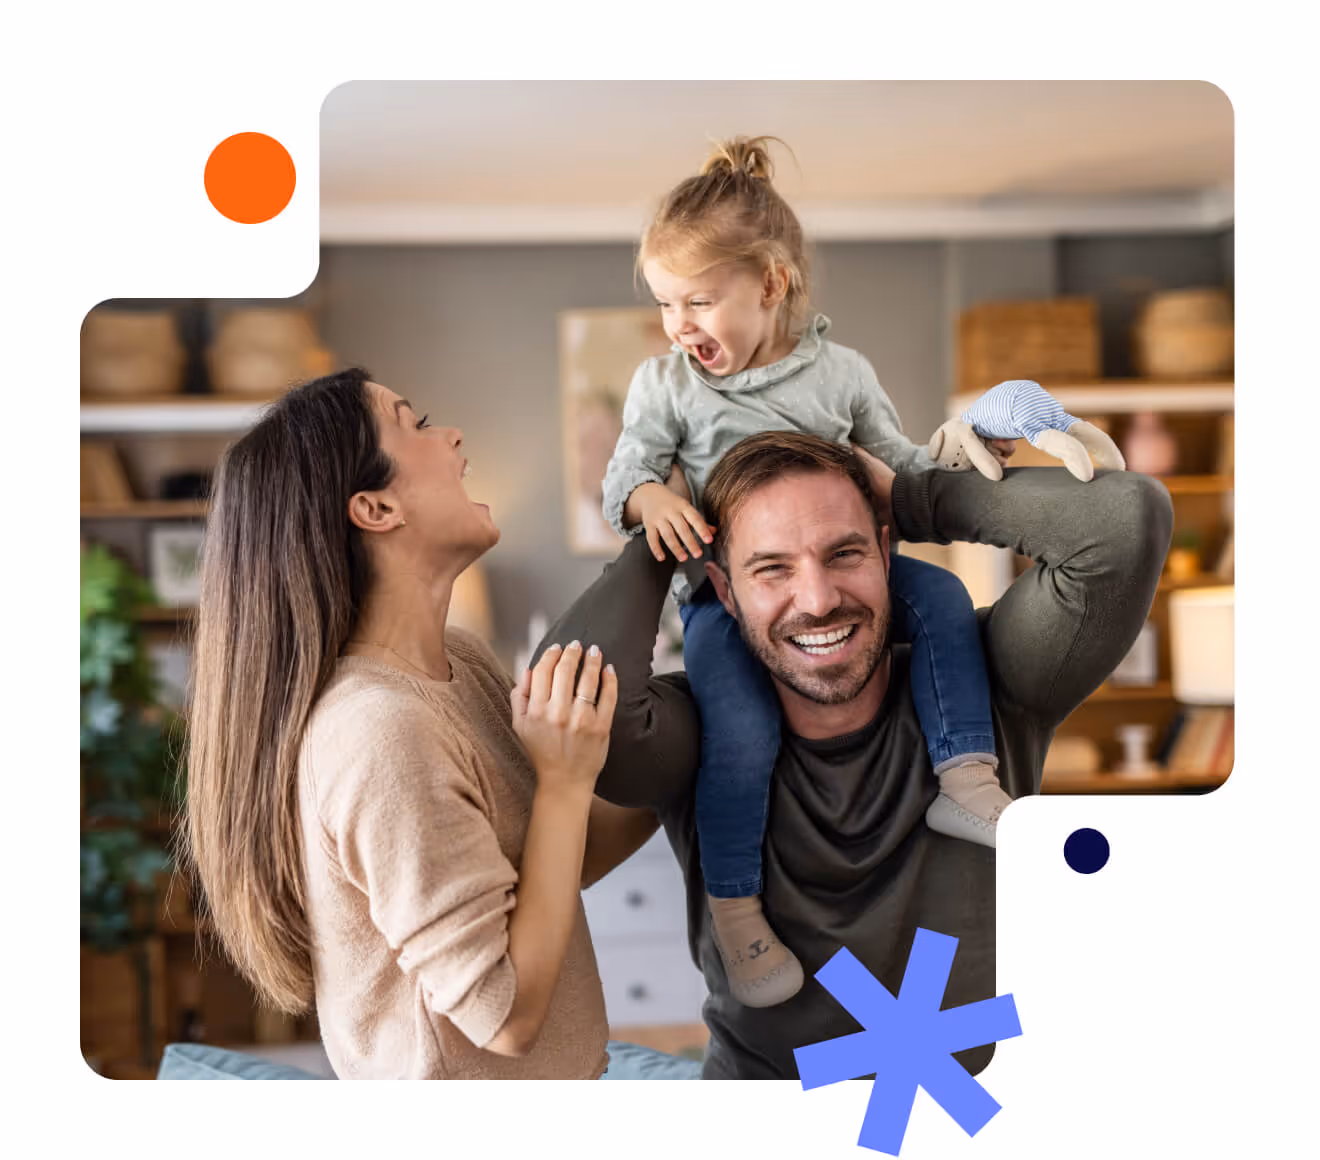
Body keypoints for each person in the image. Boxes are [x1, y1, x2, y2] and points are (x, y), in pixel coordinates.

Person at [543, 431, 1172, 1079]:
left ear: (885, 553)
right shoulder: (693, 727)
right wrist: (660, 537)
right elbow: (574, 689)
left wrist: (917, 495)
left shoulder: (993, 682)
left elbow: (1125, 522)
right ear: (725, 594)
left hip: (969, 1113)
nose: (817, 600)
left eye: (844, 553)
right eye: (771, 568)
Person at [600, 135, 1020, 1008]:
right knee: (742, 738)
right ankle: (738, 910)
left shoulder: (843, 375)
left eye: (700, 301)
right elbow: (625, 476)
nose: (681, 326)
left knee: (942, 597)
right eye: (668, 304)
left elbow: (903, 474)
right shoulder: (666, 386)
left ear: (772, 283)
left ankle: (965, 773)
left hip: (843, 577)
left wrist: (969, 452)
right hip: (730, 606)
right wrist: (653, 502)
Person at [180, 368, 665, 1079]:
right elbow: (506, 1015)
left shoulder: (460, 666)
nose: (454, 437)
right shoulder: (379, 732)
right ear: (375, 508)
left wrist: (690, 756)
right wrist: (563, 779)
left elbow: (561, 860)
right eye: (416, 422)